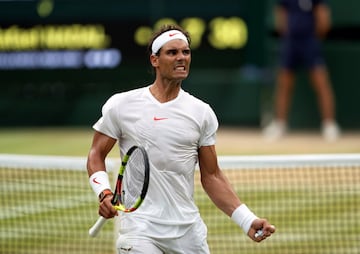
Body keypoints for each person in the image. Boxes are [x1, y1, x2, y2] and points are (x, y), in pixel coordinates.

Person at [87, 24, 275, 254]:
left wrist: (247, 220)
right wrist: (104, 192)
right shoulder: (121, 105)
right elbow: (96, 154)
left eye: (185, 52)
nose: (181, 58)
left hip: (187, 231)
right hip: (140, 229)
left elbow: (212, 175)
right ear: (155, 60)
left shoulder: (201, 113)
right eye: (172, 52)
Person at [263, 0, 340, 142]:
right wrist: (288, 34)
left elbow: (323, 19)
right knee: (284, 85)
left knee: (321, 83)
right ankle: (280, 124)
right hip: (290, 43)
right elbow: (281, 16)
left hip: (310, 42)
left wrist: (313, 37)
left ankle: (329, 125)